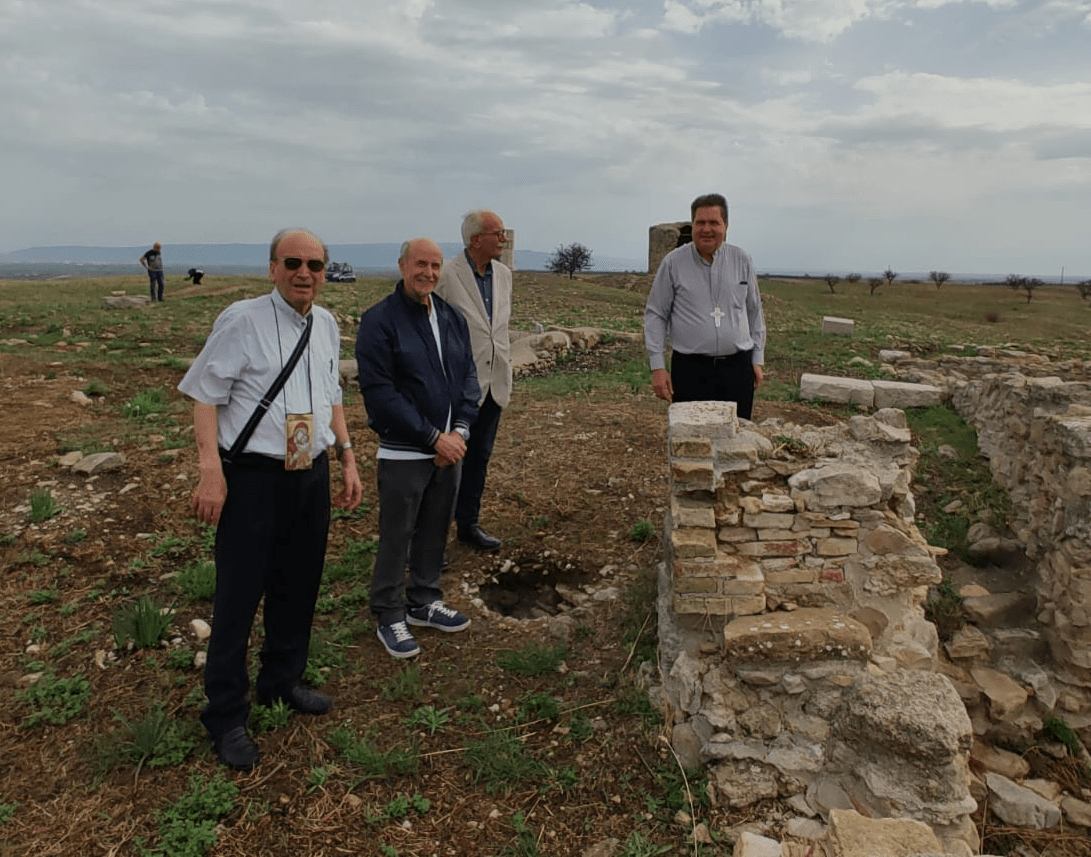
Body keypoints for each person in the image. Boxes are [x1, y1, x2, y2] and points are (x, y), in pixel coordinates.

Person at [178, 227, 363, 770]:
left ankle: (281, 682)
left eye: (315, 264)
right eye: (293, 263)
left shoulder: (326, 324)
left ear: (325, 271)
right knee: (238, 597)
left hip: (310, 472)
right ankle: (226, 714)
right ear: (272, 267)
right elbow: (204, 398)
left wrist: (348, 457)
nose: (304, 273)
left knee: (298, 584)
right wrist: (212, 473)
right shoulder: (242, 320)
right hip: (253, 478)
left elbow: (330, 397)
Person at [355, 238, 480, 659]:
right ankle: (389, 612)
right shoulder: (379, 320)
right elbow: (381, 393)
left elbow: (468, 379)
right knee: (397, 533)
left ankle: (424, 599)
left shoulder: (451, 317)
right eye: (420, 264)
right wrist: (432, 437)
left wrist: (460, 431)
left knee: (434, 527)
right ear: (402, 265)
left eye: (435, 265)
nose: (427, 272)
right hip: (406, 451)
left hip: (451, 449)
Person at [643, 193, 766, 419]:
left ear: (726, 226)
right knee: (692, 442)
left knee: (736, 442)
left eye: (714, 222)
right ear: (692, 226)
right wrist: (657, 367)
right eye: (700, 222)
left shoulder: (742, 260)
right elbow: (656, 314)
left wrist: (757, 359)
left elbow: (754, 311)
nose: (706, 229)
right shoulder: (673, 263)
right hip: (691, 370)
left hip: (737, 369)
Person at [434, 210, 512, 551]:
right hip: (458, 384)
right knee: (448, 462)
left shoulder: (505, 275)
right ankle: (432, 538)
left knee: (479, 457)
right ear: (476, 239)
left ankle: (468, 525)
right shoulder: (448, 274)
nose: (504, 239)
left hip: (494, 383)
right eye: (498, 233)